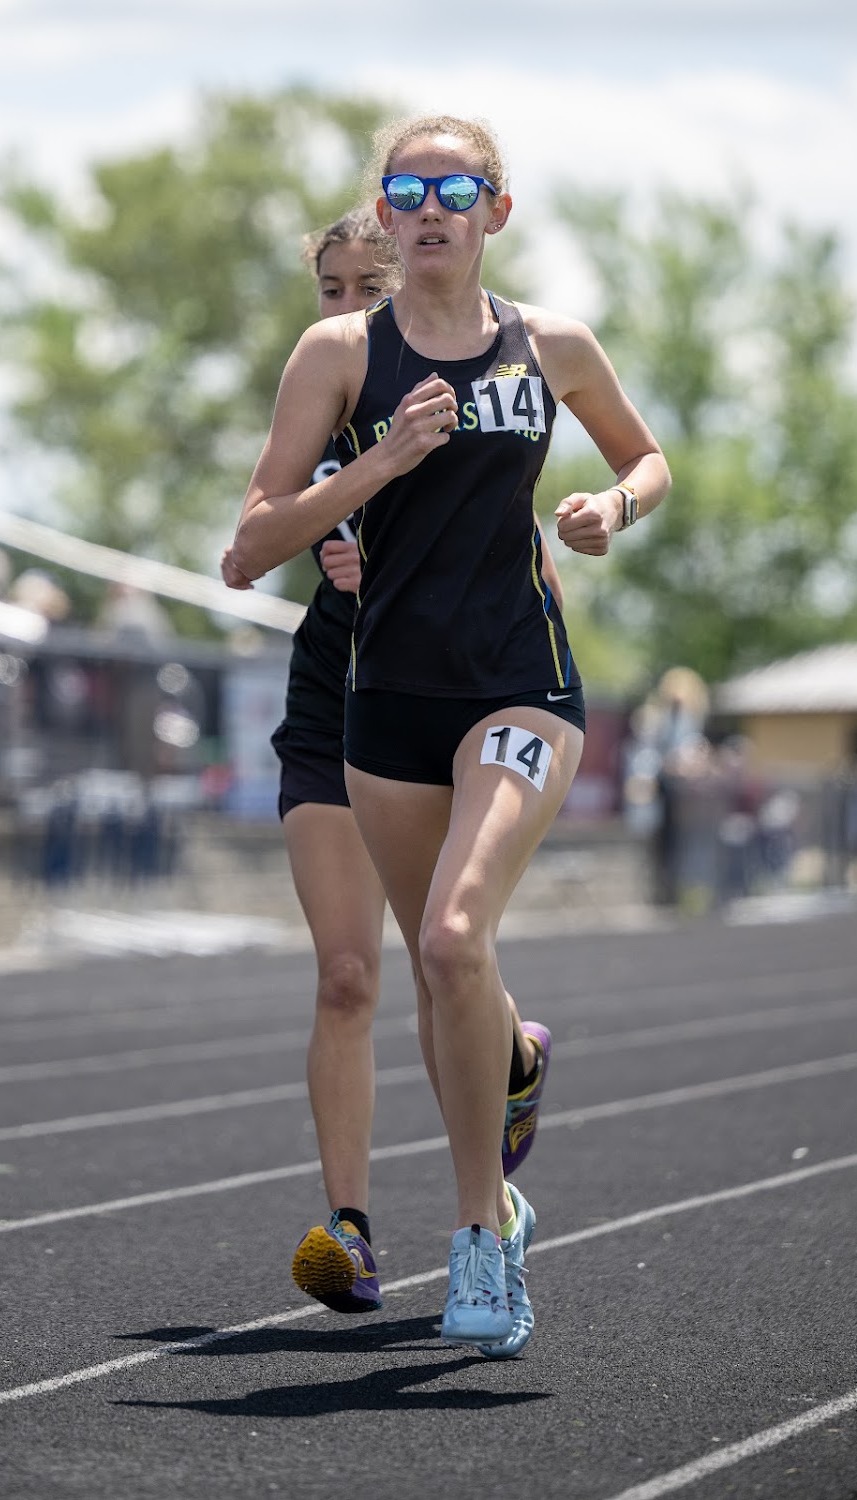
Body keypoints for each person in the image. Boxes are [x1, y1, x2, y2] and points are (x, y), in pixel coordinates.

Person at [224, 114, 671, 1357]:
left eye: (456, 190)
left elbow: (646, 459)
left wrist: (612, 508)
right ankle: (492, 1154)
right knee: (434, 976)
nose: (431, 209)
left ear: (495, 211)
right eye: (408, 190)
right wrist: (376, 467)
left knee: (452, 935)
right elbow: (249, 546)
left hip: (520, 685)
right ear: (385, 209)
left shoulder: (551, 344)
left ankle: (480, 1233)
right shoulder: (337, 353)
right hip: (386, 703)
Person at [264, 206, 562, 1323]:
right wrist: (336, 516)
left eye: (367, 289)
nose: (347, 309)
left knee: (447, 948)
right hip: (333, 692)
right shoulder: (324, 386)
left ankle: (506, 1086)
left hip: (445, 692)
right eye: (331, 289)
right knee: (347, 974)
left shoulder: (473, 393)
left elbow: (525, 573)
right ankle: (349, 1228)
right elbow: (250, 540)